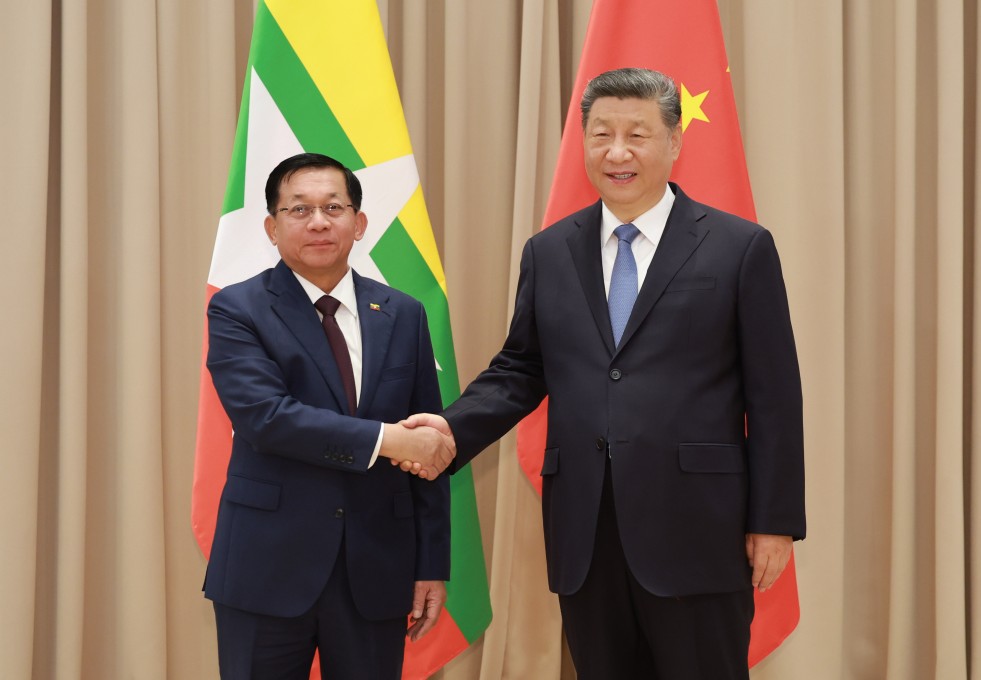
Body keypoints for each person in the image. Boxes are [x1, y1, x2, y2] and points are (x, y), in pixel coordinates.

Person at [401, 68, 805, 679]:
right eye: (601, 134)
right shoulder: (548, 251)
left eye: (637, 135)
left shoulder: (738, 247)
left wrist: (773, 521)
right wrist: (452, 431)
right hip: (586, 530)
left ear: (674, 141)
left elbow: (774, 395)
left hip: (698, 527)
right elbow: (521, 367)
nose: (617, 152)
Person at [203, 152, 455, 679]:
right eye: (299, 209)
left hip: (376, 568)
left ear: (359, 223)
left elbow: (426, 443)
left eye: (333, 208)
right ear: (272, 228)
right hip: (266, 567)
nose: (318, 221)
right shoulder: (237, 309)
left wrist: (431, 565)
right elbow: (267, 418)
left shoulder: (404, 313)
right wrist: (387, 440)